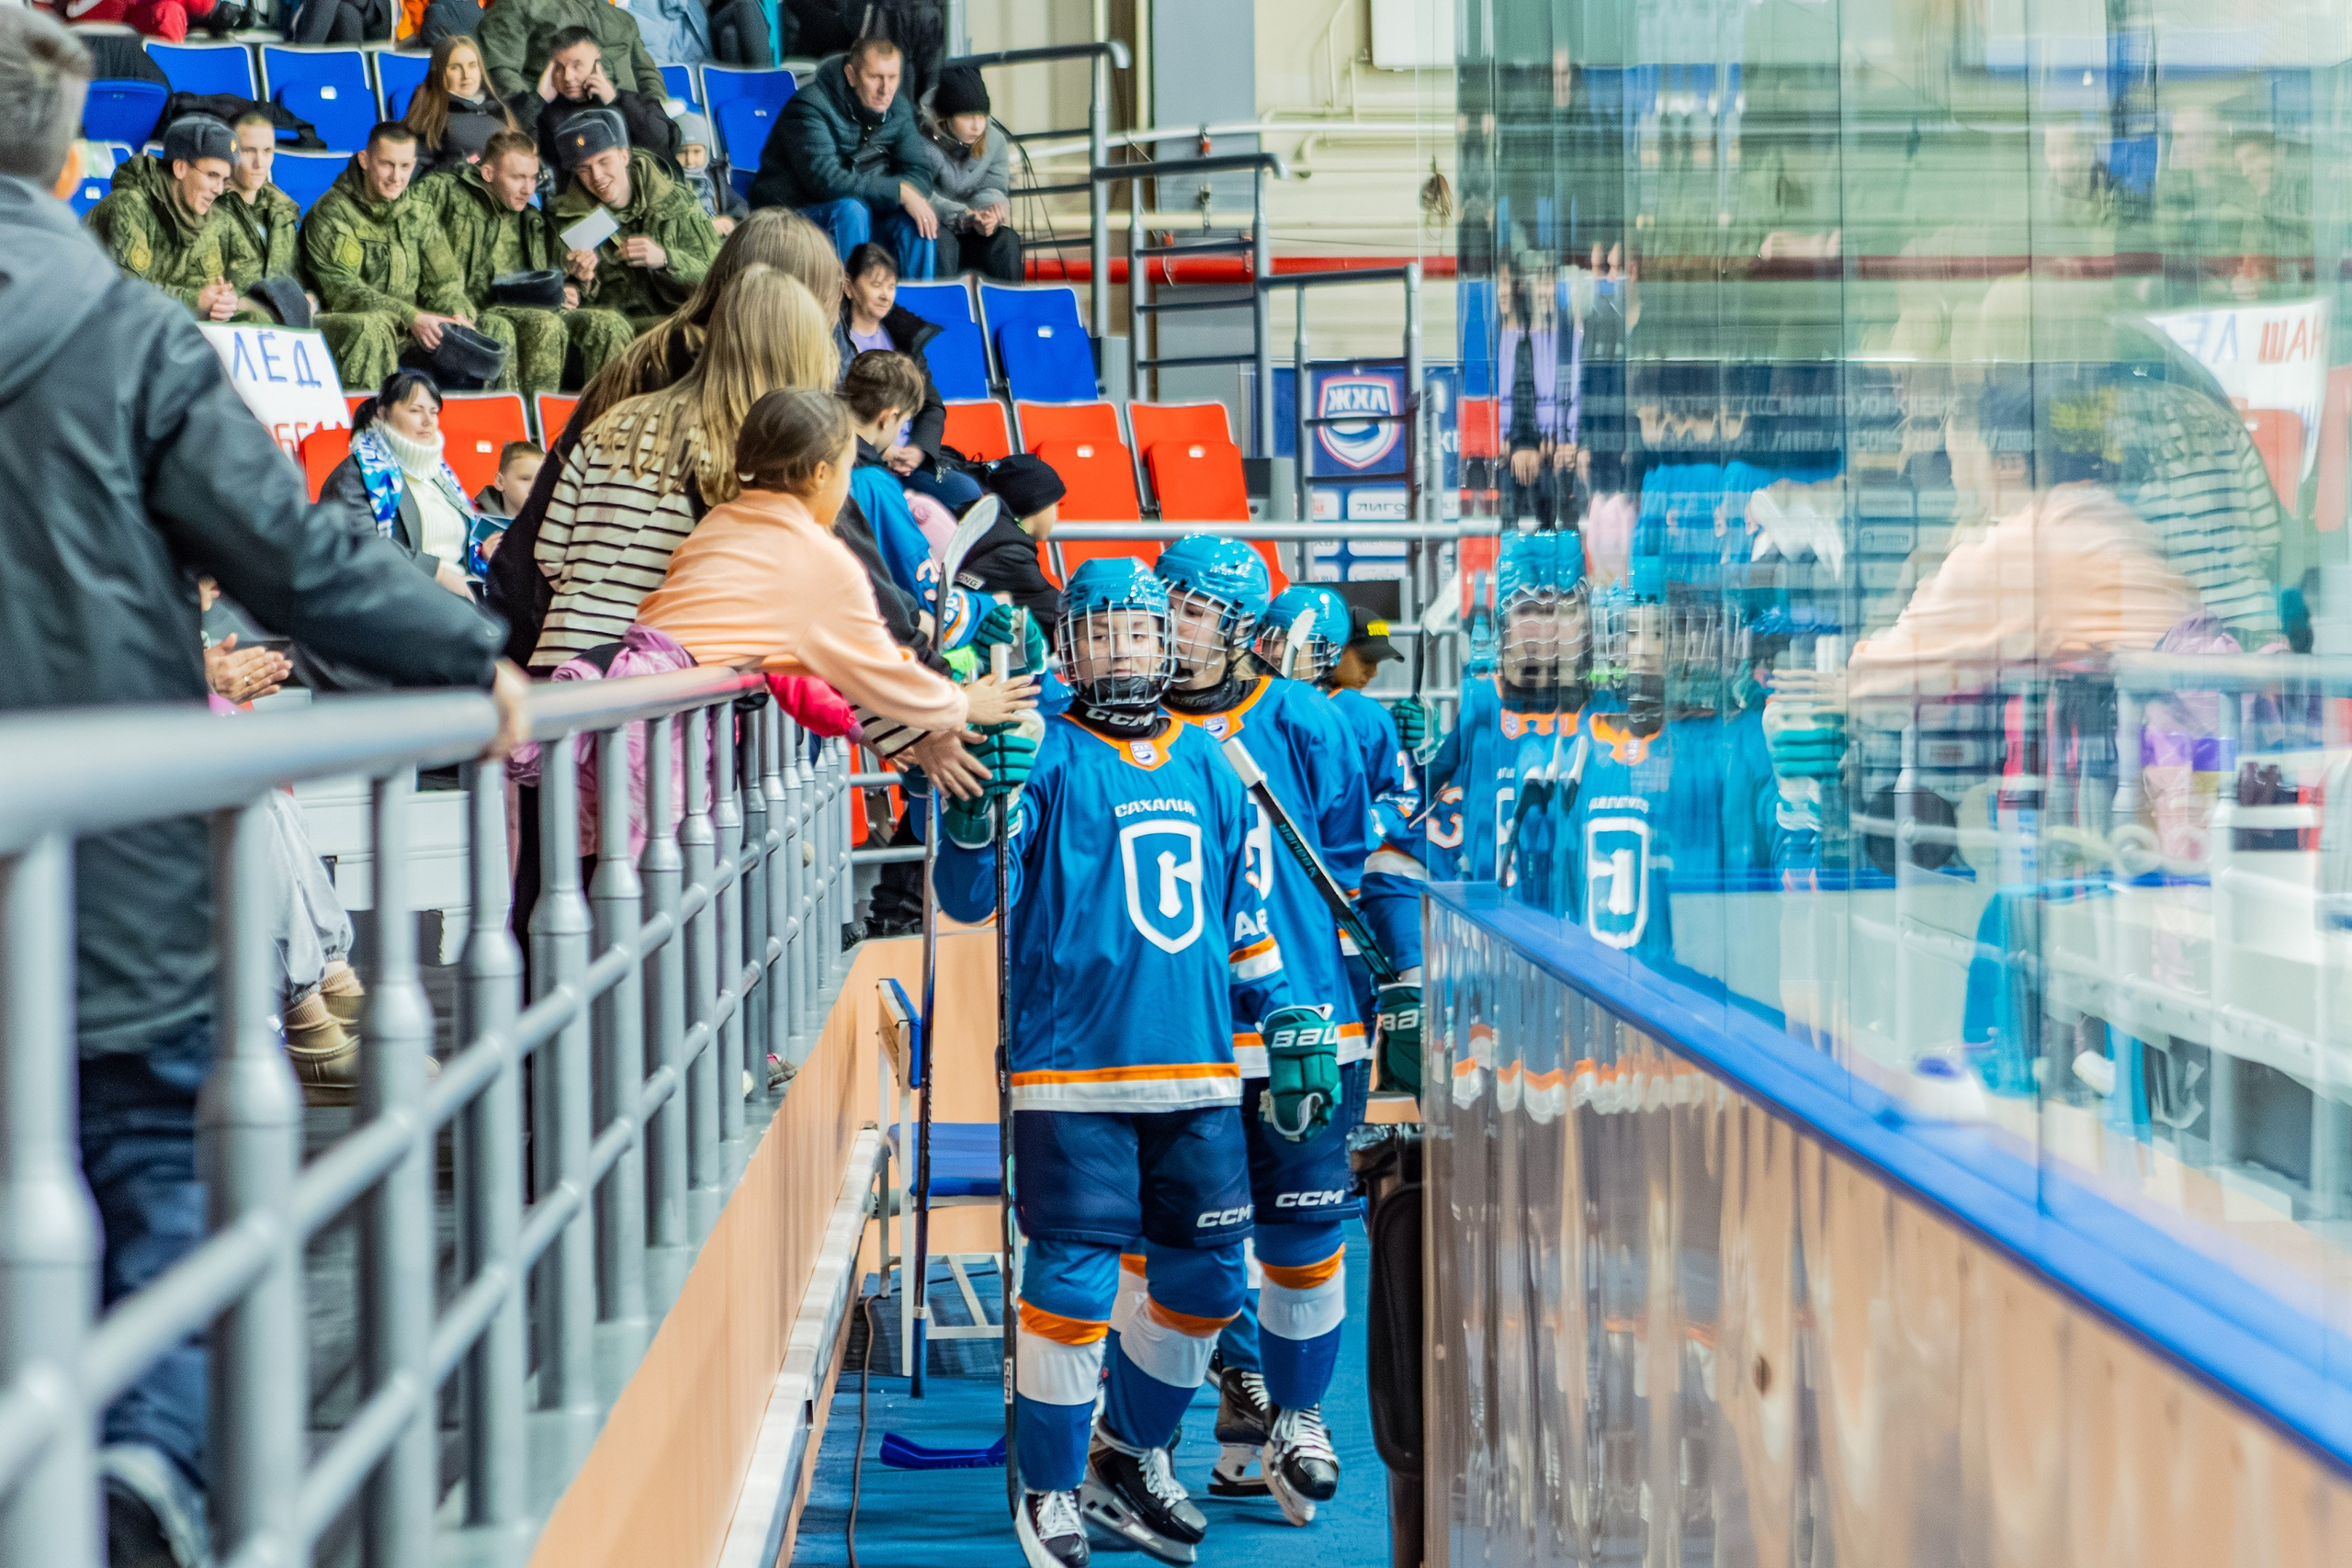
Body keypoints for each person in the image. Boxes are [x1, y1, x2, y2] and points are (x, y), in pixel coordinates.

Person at [0, 13, 529, 1561]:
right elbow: (291, 554)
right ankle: (145, 1460)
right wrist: (468, 653)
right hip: (115, 871)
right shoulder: (129, 334)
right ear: (69, 159)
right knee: (170, 1183)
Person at [929, 556, 1340, 1568]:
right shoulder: (1042, 750)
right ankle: (1052, 1488)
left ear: (1169, 646)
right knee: (1068, 1287)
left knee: (1205, 1285)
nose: (1123, 649)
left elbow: (1247, 925)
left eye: (1141, 632)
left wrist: (1285, 1012)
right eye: (1101, 632)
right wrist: (976, 815)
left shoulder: (1211, 759)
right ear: (1068, 646)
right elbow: (972, 900)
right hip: (1073, 1073)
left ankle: (1126, 1452)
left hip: (1198, 1073)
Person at [1146, 541, 1369, 1528]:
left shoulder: (1305, 717)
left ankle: (1286, 1423)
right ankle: (1150, 1437)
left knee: (1303, 1236)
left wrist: (1393, 984)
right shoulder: (1121, 729)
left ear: (1241, 628)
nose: (1180, 626)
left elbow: (1358, 866)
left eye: (1200, 611)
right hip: (1172, 1031)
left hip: (1302, 1024)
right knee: (1183, 1251)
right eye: (1173, 606)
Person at [482, 209, 842, 664]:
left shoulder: (626, 393)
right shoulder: (750, 429)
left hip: (565, 663)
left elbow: (542, 552)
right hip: (652, 676)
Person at [635, 386, 1034, 762]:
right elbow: (878, 667)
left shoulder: (720, 522)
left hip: (627, 698)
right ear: (822, 474)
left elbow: (796, 666)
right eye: (846, 469)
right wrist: (960, 703)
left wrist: (868, 730)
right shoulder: (818, 557)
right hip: (667, 737)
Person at [417, 129, 631, 394]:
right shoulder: (445, 193)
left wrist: (573, 282)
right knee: (541, 324)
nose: (528, 189)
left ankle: (605, 419)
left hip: (526, 308)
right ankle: (534, 426)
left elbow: (544, 278)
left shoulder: (531, 219)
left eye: (532, 178)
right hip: (470, 310)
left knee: (608, 324)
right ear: (488, 173)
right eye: (517, 178)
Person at [300, 121, 485, 392]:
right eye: (387, 164)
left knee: (486, 332)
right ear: (365, 160)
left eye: (405, 167)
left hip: (408, 332)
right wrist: (410, 316)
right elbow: (342, 292)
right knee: (372, 327)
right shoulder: (333, 212)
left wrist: (456, 314)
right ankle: (366, 425)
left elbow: (444, 284)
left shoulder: (419, 214)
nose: (396, 177)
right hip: (346, 327)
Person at [748, 37, 936, 279]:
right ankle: (848, 309)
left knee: (917, 220)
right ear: (851, 75)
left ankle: (916, 313)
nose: (886, 89)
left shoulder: (897, 109)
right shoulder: (809, 106)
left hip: (860, 212)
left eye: (893, 78)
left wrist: (906, 194)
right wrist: (898, 191)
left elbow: (920, 173)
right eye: (875, 77)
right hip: (788, 216)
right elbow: (826, 181)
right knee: (851, 210)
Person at [831, 240, 978, 508]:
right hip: (861, 459)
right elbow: (831, 406)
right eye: (876, 285)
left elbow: (932, 405)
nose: (886, 295)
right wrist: (882, 450)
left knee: (967, 491)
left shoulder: (904, 336)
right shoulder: (833, 340)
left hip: (909, 461)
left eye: (891, 286)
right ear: (849, 286)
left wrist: (919, 450)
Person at [550, 108, 721, 333]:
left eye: (604, 161)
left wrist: (666, 259)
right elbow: (568, 307)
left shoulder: (676, 201)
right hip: (621, 334)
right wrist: (580, 281)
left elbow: (716, 278)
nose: (597, 177)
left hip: (685, 322)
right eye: (584, 169)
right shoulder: (567, 220)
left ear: (624, 155)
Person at [322, 367, 484, 600]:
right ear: (382, 413)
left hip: (460, 598)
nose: (428, 421)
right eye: (415, 410)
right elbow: (358, 545)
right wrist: (435, 571)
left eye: (434, 412)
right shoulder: (356, 474)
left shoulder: (443, 478)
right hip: (400, 601)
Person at [86, 113, 248, 321]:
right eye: (212, 175)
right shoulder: (129, 206)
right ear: (180, 167)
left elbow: (204, 287)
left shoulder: (201, 217)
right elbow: (130, 297)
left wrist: (220, 303)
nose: (218, 189)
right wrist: (194, 301)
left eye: (224, 180)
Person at [477, 0, 664, 139]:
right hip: (563, 127)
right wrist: (532, 116)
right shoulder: (518, 6)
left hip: (632, 124)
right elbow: (501, 71)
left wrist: (655, 116)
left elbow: (647, 74)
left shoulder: (622, 19)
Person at [521, 26, 680, 171]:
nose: (568, 77)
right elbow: (525, 158)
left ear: (597, 63)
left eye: (577, 65)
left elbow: (663, 144)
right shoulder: (544, 114)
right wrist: (538, 100)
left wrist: (616, 101)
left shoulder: (633, 102)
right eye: (559, 68)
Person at [919, 64, 1021, 282]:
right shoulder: (919, 140)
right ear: (945, 118)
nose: (977, 126)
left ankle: (1005, 314)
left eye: (982, 116)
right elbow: (922, 194)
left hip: (972, 227)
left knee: (1006, 242)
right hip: (936, 226)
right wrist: (964, 216)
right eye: (967, 117)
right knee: (941, 242)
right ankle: (944, 315)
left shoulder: (994, 141)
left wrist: (989, 213)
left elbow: (993, 186)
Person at [953, 451, 1066, 633]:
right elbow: (1062, 616)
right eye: (1056, 505)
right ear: (1038, 504)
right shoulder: (1009, 552)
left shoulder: (995, 534)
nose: (1057, 516)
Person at [213, 110, 304, 318]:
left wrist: (305, 299)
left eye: (267, 151)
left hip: (285, 320)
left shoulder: (283, 211)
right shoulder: (210, 206)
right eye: (249, 151)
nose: (260, 163)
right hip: (236, 320)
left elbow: (295, 276)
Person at [402, 33, 520, 176]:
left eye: (472, 66)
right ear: (439, 73)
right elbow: (417, 178)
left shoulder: (498, 108)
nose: (466, 75)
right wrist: (459, 169)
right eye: (455, 67)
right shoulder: (431, 116)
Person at [675, 110, 747, 235]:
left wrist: (730, 221)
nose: (690, 160)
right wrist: (708, 227)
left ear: (706, 151)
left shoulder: (714, 174)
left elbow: (739, 207)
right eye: (682, 152)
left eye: (696, 152)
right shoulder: (667, 180)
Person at [478, 438, 544, 515]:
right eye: (525, 479)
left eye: (542, 480)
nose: (536, 487)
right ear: (500, 482)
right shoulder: (468, 524)